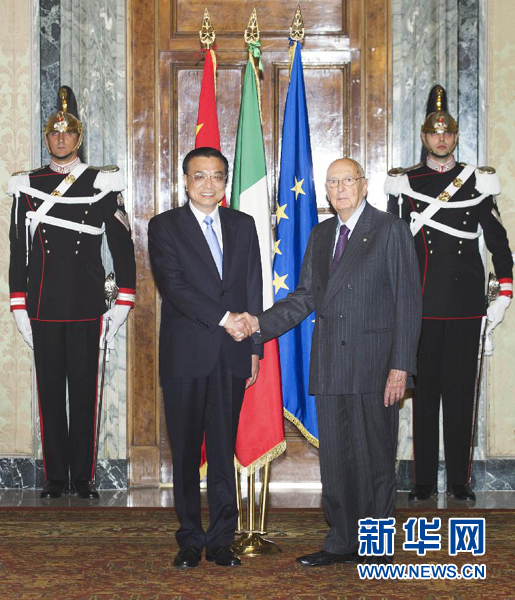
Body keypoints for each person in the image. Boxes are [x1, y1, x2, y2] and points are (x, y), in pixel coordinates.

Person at [233, 157, 421, 566]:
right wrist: (257, 325)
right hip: (331, 365)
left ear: (364, 185)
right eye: (333, 183)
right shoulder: (321, 235)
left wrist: (401, 366)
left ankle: (376, 545)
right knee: (337, 463)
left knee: (374, 462)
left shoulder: (389, 230)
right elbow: (304, 297)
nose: (340, 189)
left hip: (376, 368)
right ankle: (340, 541)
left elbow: (408, 302)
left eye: (347, 180)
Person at [385, 85, 513, 502]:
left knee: (460, 398)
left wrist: (504, 294)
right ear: (424, 137)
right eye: (434, 132)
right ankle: (423, 481)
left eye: (448, 132)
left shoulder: (477, 180)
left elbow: (499, 245)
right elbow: (393, 248)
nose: (441, 138)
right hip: (420, 307)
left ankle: (460, 480)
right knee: (423, 399)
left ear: (455, 137)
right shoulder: (406, 183)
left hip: (465, 307)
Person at [8, 86, 136, 500]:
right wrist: (18, 306)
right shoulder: (27, 185)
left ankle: (82, 477)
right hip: (43, 304)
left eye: (68, 132)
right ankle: (54, 478)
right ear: (47, 138)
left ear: (79, 138)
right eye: (54, 133)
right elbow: (17, 250)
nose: (60, 139)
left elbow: (122, 247)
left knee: (84, 394)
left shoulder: (102, 183)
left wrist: (122, 302)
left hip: (86, 304)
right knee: (49, 395)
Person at [147, 146, 262, 569]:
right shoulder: (164, 226)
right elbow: (174, 287)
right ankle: (189, 539)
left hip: (233, 354)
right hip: (186, 356)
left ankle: (220, 541)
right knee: (185, 450)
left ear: (225, 182)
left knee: (222, 449)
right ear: (185, 181)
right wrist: (225, 318)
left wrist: (254, 347)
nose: (208, 184)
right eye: (200, 176)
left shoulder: (243, 224)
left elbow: (253, 286)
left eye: (216, 176)